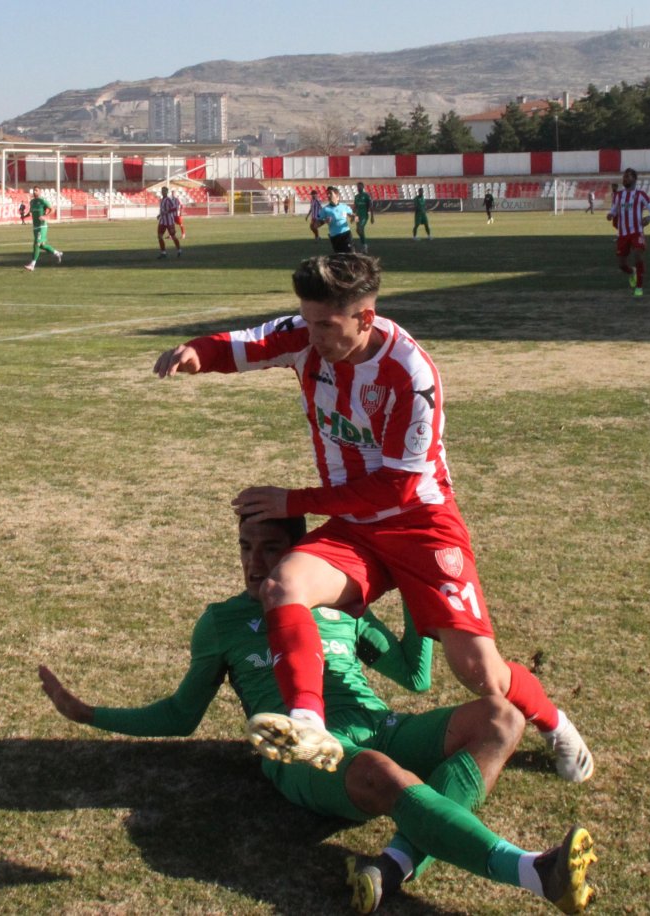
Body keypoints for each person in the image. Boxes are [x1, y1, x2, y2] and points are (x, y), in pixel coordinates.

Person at [152, 253, 594, 786]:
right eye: (306, 319)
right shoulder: (305, 333)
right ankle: (309, 722)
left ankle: (556, 725)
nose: (310, 334)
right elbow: (247, 346)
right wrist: (197, 353)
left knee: (481, 674)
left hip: (420, 524)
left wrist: (295, 501)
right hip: (355, 525)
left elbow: (397, 486)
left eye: (325, 325)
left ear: (365, 317)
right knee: (283, 586)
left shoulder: (410, 373)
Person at [39, 513, 597, 914]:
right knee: (382, 771)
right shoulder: (222, 622)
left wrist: (409, 581)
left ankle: (393, 866)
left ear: (299, 553)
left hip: (384, 726)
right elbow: (183, 714)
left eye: (271, 549)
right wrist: (91, 714)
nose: (255, 563)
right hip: (303, 752)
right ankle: (532, 871)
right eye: (244, 548)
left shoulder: (338, 608)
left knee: (501, 718)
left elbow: (415, 674)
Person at [606, 168, 650, 299]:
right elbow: (614, 210)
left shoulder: (641, 195)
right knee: (622, 265)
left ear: (634, 179)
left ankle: (639, 287)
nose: (624, 179)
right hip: (623, 234)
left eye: (627, 176)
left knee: (638, 255)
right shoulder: (618, 196)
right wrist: (611, 214)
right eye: (624, 176)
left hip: (637, 231)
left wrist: (649, 218)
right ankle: (632, 272)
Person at [23, 186, 63, 271]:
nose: (34, 192)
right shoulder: (32, 202)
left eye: (36, 190)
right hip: (35, 226)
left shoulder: (42, 201)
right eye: (33, 190)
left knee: (36, 244)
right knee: (42, 245)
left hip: (42, 226)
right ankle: (57, 253)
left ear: (40, 192)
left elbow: (52, 209)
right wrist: (24, 216)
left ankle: (32, 265)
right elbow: (30, 213)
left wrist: (45, 216)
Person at [318, 186, 356, 253]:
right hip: (334, 237)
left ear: (337, 195)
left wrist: (354, 218)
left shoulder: (344, 207)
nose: (328, 195)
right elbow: (315, 225)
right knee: (339, 258)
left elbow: (353, 217)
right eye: (327, 194)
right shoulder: (325, 209)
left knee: (351, 255)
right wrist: (324, 221)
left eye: (330, 193)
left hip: (346, 234)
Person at [157, 186, 182, 259]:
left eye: (164, 191)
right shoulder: (162, 200)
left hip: (169, 221)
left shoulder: (168, 200)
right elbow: (162, 210)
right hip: (162, 221)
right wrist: (159, 215)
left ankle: (179, 250)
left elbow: (175, 208)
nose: (162, 192)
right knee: (159, 236)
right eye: (162, 191)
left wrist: (168, 211)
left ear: (166, 192)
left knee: (173, 236)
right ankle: (163, 252)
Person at [353, 182, 374, 253]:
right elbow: (355, 207)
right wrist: (353, 216)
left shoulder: (366, 195)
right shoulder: (356, 196)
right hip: (357, 216)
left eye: (360, 187)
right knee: (358, 230)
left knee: (360, 229)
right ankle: (364, 245)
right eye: (358, 187)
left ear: (363, 187)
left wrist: (372, 217)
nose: (359, 188)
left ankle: (364, 245)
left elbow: (370, 205)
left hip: (364, 215)